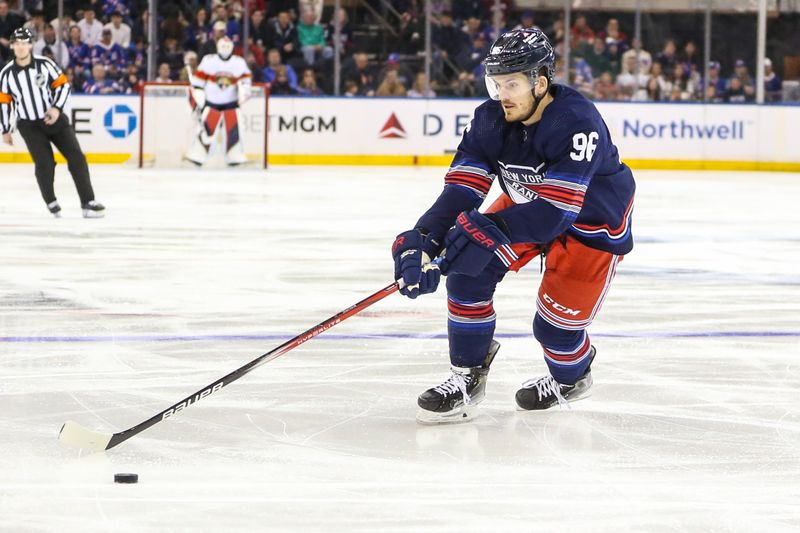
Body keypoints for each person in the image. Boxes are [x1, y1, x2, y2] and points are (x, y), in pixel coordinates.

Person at [390, 28, 635, 423]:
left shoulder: (576, 122)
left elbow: (556, 212)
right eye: (497, 83)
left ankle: (573, 376)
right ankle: (468, 375)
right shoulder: (489, 120)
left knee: (554, 331)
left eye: (513, 83)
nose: (502, 94)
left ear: (540, 82)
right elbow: (461, 192)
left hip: (591, 223)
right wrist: (423, 239)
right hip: (527, 202)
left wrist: (488, 231)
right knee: (468, 274)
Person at [0, 28, 105, 218]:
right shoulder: (6, 74)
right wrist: (5, 129)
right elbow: (5, 104)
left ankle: (88, 202)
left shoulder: (45, 64)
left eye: (25, 43)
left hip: (55, 119)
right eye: (17, 43)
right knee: (45, 163)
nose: (21, 47)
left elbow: (63, 85)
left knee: (77, 158)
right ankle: (51, 201)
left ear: (31, 45)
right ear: (13, 46)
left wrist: (56, 108)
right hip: (29, 125)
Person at [186, 36, 252, 166]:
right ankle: (197, 155)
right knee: (206, 129)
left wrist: (244, 91)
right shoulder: (209, 61)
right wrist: (199, 98)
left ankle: (234, 155)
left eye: (228, 47)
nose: (225, 49)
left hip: (231, 104)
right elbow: (198, 84)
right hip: (211, 103)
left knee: (233, 129)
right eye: (223, 46)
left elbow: (246, 82)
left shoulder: (239, 62)